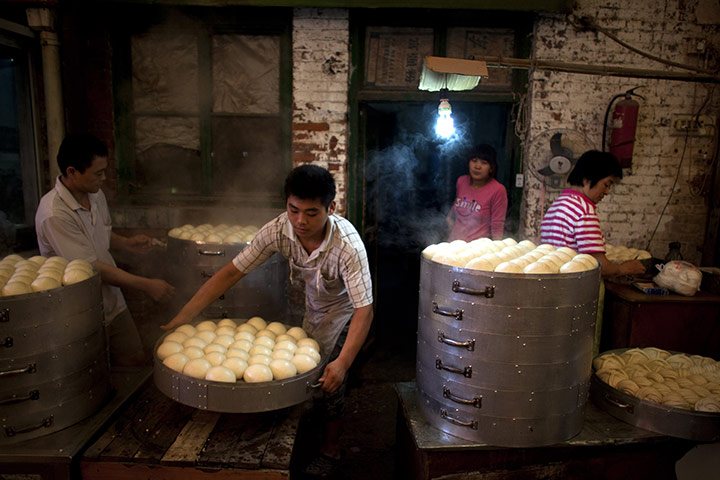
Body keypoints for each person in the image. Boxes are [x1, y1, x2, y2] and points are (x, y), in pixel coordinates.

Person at [161, 164, 374, 478]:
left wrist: (343, 362)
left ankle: (331, 449)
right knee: (311, 377)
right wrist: (185, 314)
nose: (300, 221)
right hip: (314, 307)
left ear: (331, 208)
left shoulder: (348, 247)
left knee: (331, 383)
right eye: (293, 210)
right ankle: (308, 429)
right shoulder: (278, 230)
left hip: (346, 314)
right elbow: (232, 272)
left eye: (312, 213)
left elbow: (364, 310)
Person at [35, 133, 176, 366]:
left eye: (105, 171)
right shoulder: (55, 215)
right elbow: (88, 267)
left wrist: (125, 243)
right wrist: (147, 285)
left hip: (110, 296)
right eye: (98, 173)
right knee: (91, 369)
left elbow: (98, 233)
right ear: (72, 172)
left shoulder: (95, 194)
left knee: (133, 357)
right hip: (77, 308)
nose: (104, 178)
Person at [540, 150, 645, 277]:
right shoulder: (584, 211)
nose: (606, 192)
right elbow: (599, 265)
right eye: (606, 185)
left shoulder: (557, 205)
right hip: (575, 287)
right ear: (587, 179)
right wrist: (623, 269)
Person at [446, 144, 508, 241]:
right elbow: (457, 203)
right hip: (454, 244)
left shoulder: (498, 190)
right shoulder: (462, 181)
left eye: (484, 163)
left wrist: (497, 248)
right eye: (474, 161)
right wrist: (449, 218)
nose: (477, 166)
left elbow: (497, 225)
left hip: (477, 249)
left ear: (491, 168)